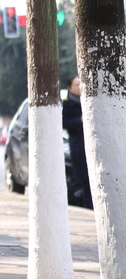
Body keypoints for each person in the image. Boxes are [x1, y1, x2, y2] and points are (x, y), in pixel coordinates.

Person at [62, 76, 92, 209]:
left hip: (91, 144)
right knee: (85, 179)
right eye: (76, 85)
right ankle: (87, 204)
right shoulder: (67, 104)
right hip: (78, 146)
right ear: (70, 88)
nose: (79, 87)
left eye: (81, 84)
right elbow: (65, 124)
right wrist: (80, 120)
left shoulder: (88, 101)